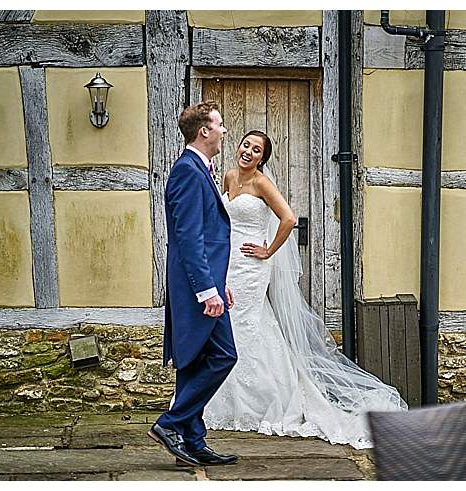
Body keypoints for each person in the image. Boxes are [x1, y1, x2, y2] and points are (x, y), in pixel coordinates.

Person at [203, 129, 407, 449]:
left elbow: (288, 218)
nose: (248, 152)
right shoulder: (229, 176)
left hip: (252, 266)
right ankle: (219, 398)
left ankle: (266, 400)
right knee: (227, 326)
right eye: (246, 145)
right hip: (228, 263)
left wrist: (268, 251)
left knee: (249, 326)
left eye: (256, 150)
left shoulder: (261, 183)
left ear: (262, 159)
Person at [151, 100, 239, 467]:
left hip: (205, 283)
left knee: (193, 359)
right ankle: (170, 424)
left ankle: (192, 442)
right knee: (223, 355)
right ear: (203, 131)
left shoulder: (199, 168)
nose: (224, 131)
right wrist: (207, 291)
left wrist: (219, 283)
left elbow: (205, 234)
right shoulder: (188, 171)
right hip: (195, 288)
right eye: (219, 125)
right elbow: (189, 238)